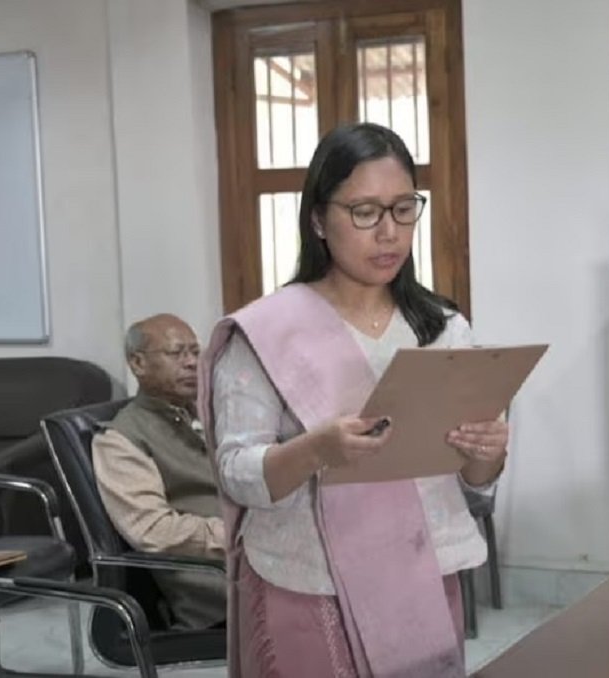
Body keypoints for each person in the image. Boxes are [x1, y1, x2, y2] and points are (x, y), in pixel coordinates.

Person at [199, 122, 508, 677]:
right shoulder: (268, 332)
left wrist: (488, 452)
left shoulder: (442, 328)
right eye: (364, 212)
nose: (388, 232)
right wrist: (316, 449)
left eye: (403, 209)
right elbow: (236, 472)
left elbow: (475, 480)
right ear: (319, 219)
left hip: (420, 573)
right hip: (308, 579)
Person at [92, 314, 226, 630]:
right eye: (177, 353)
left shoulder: (209, 413)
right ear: (138, 363)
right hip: (218, 580)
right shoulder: (121, 439)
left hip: (262, 553)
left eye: (195, 352)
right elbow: (154, 530)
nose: (192, 362)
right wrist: (237, 535)